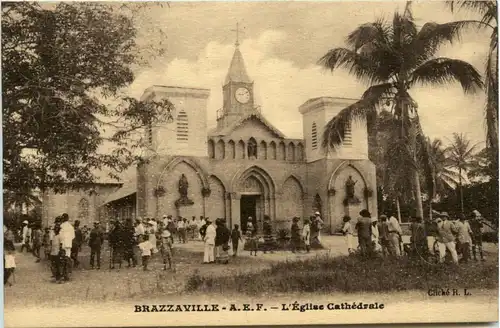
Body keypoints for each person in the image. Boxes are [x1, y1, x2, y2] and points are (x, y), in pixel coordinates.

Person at [59, 213, 75, 281]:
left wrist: (61, 242)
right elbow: (73, 236)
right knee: (68, 258)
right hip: (69, 244)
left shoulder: (62, 226)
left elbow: (60, 236)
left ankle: (63, 274)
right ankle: (67, 274)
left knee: (62, 259)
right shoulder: (71, 226)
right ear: (68, 218)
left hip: (63, 244)